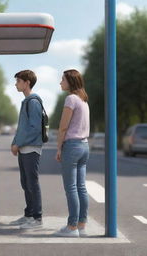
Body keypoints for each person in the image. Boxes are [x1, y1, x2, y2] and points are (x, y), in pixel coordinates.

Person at [54, 69, 90, 237]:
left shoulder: (71, 99)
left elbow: (63, 127)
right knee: (81, 187)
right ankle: (82, 224)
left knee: (71, 188)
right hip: (84, 146)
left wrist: (59, 148)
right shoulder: (84, 100)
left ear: (71, 82)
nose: (60, 82)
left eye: (63, 80)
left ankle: (71, 227)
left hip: (72, 146)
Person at [10, 70, 44, 229]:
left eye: (18, 81)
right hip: (24, 149)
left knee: (32, 183)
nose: (16, 84)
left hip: (31, 149)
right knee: (25, 183)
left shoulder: (33, 102)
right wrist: (14, 142)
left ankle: (37, 219)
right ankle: (29, 215)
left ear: (27, 82)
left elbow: (34, 128)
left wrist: (18, 143)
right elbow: (22, 128)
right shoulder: (26, 101)